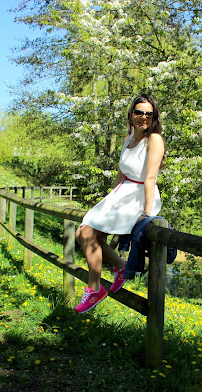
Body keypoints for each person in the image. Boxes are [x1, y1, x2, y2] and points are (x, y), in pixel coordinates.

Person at [74, 94, 165, 313]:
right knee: (82, 235)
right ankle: (121, 267)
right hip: (122, 194)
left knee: (87, 234)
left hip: (139, 196)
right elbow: (121, 172)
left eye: (148, 113)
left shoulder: (154, 140)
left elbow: (150, 178)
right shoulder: (128, 138)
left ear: (154, 117)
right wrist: (108, 200)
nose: (143, 117)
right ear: (131, 114)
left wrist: (146, 212)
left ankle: (95, 289)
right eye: (139, 112)